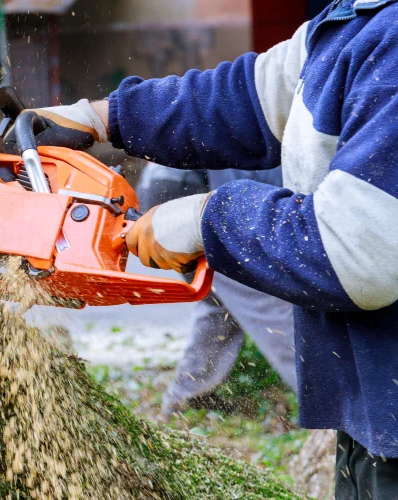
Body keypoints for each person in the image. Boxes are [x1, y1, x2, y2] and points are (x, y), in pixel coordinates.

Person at [20, 1, 398, 496]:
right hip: (375, 411)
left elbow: (360, 252)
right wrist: (101, 117)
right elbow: (247, 95)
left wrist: (206, 221)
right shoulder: (353, 21)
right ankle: (194, 393)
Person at [136, 164, 298, 416]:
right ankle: (331, 404)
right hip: (185, 200)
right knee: (268, 305)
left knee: (217, 303)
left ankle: (187, 397)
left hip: (168, 193)